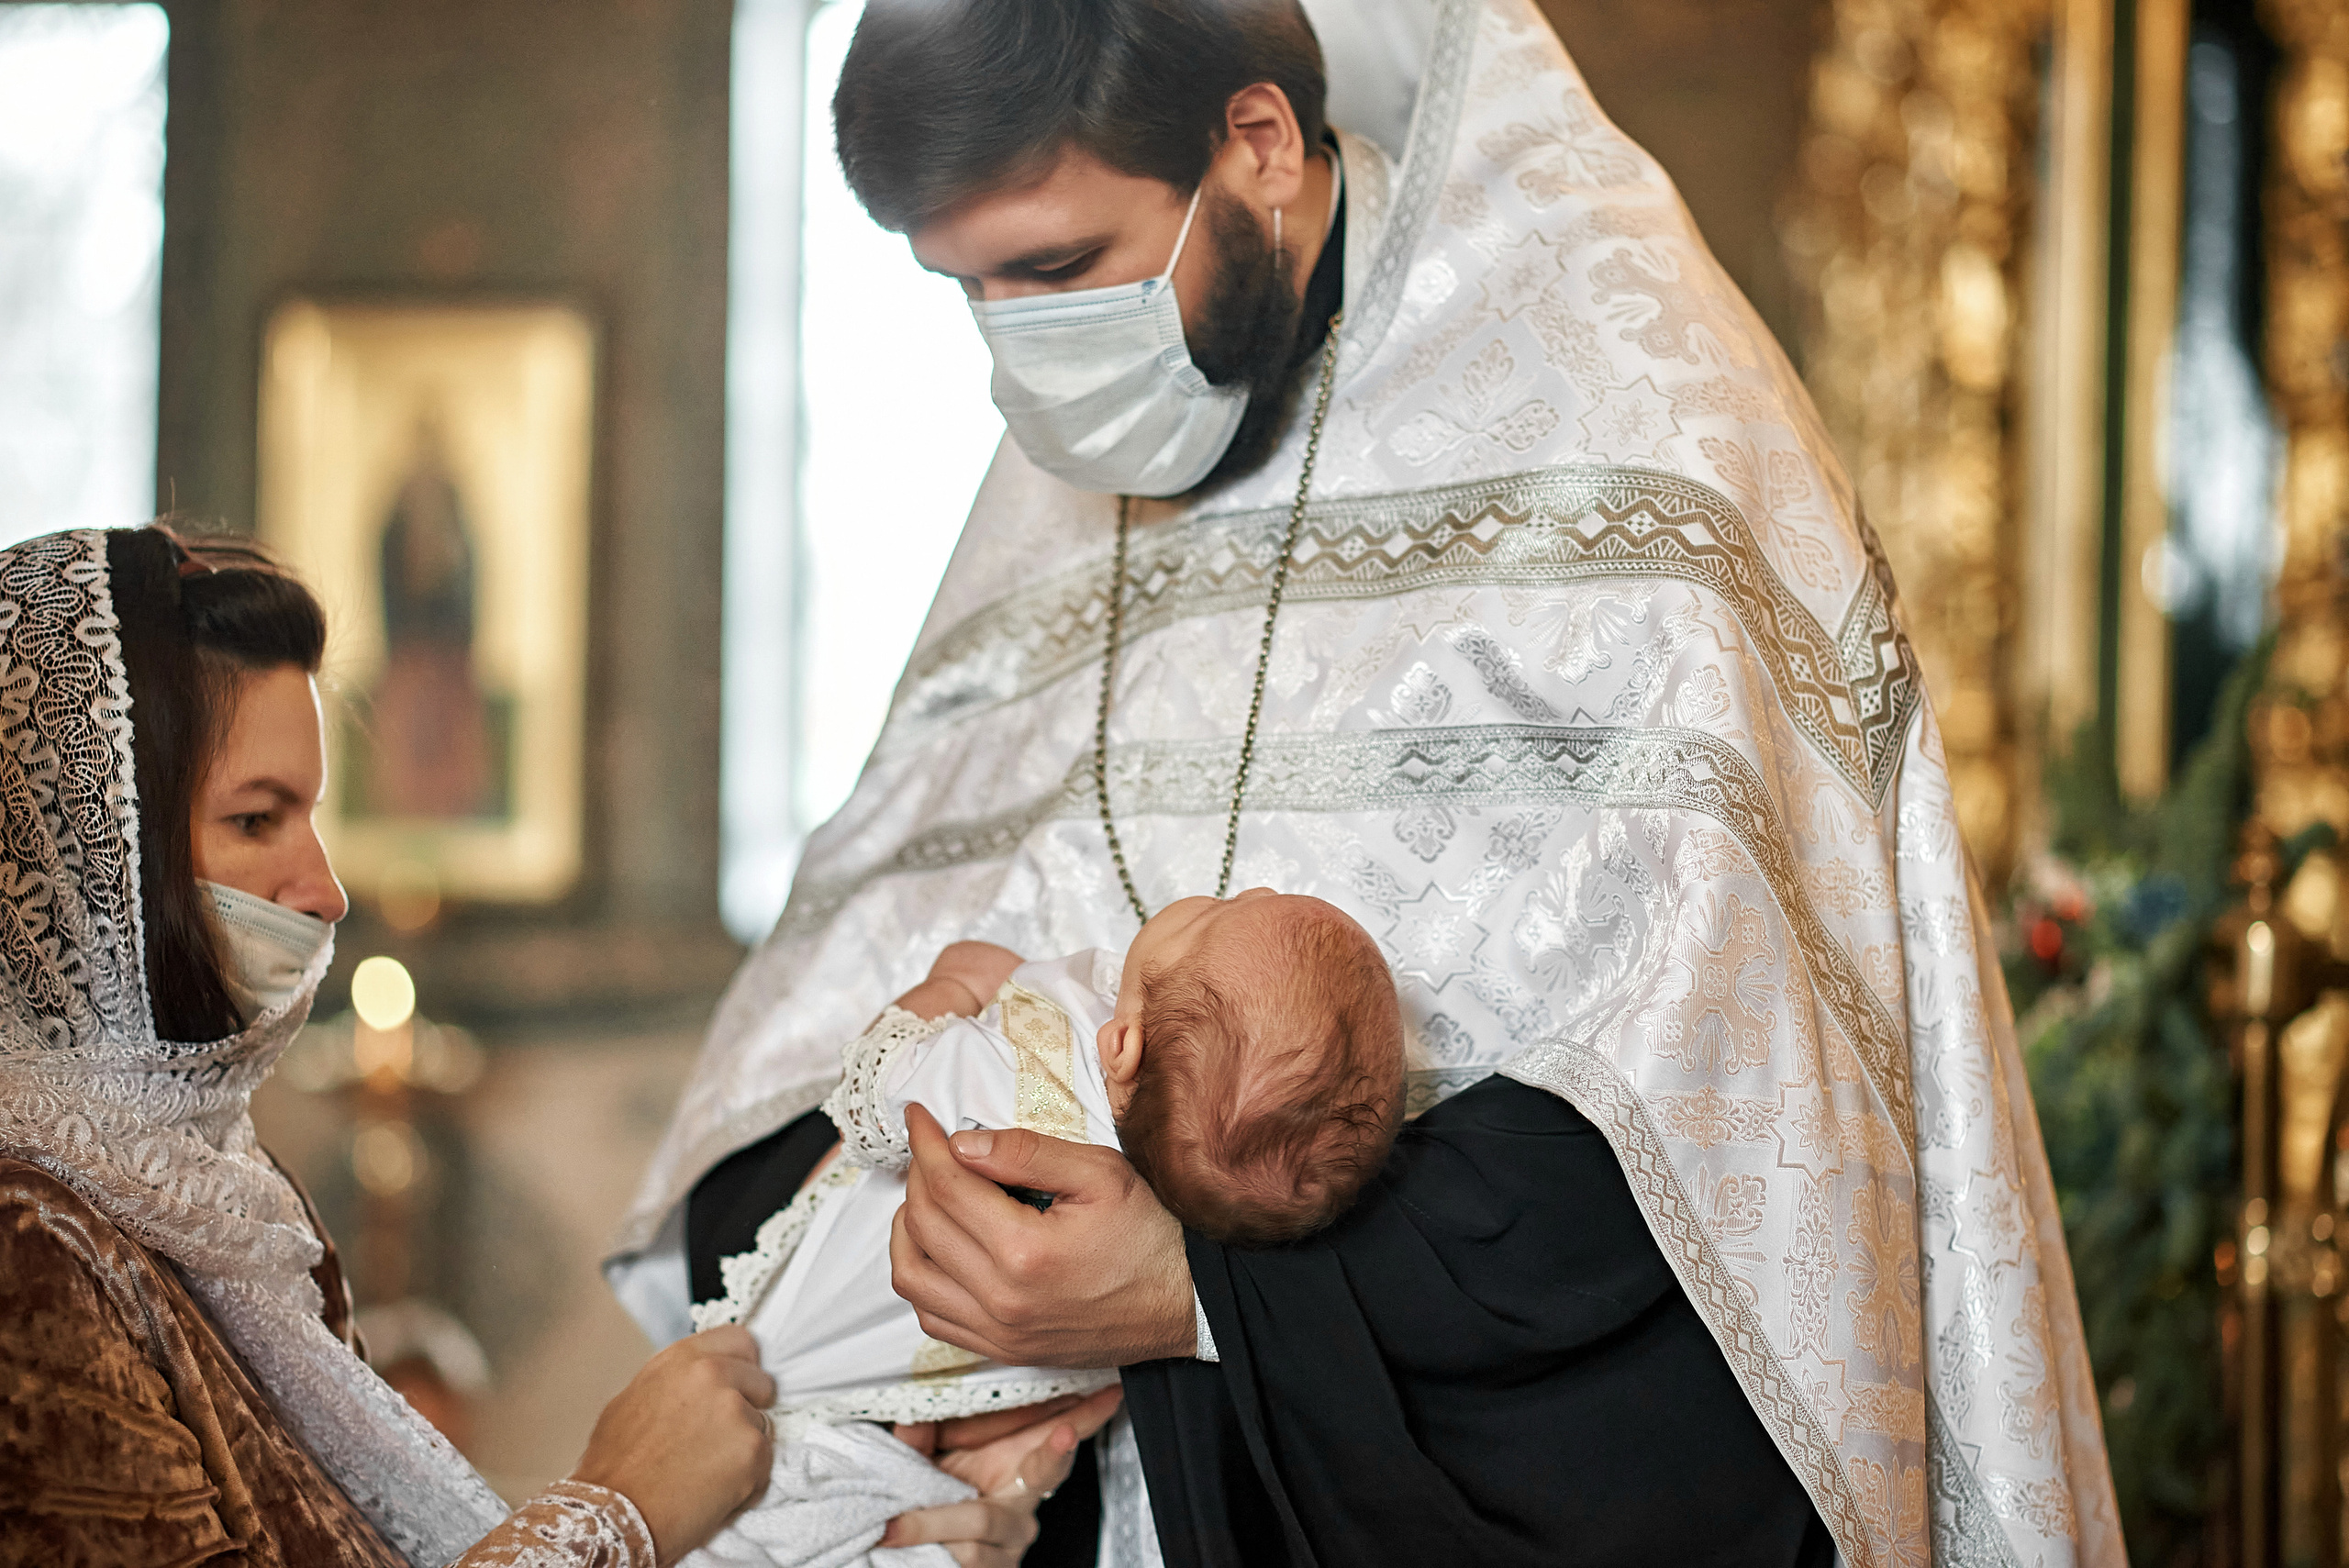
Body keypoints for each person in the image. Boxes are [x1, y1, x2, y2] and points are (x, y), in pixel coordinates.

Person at [610, 3, 2124, 1565]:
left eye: (1056, 270)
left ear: (1257, 145)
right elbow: (774, 1114)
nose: (1016, 345)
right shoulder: (1054, 503)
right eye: (965, 288)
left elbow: (1737, 1154)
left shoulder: (1627, 407)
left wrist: (1201, 1286)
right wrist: (929, 1218)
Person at [0, 525, 1098, 1568]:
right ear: (82, 862)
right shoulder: (26, 1248)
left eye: (312, 816)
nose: (325, 888)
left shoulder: (217, 1200)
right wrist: (619, 1507)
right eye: (256, 819)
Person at [681, 891, 1390, 1565]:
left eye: (1211, 915)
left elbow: (873, 1099)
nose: (1245, 889)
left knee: (742, 1492)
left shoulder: (1034, 1062)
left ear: (1121, 1045)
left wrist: (953, 986)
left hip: (824, 1329)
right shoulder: (1175, 1211)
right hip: (944, 1402)